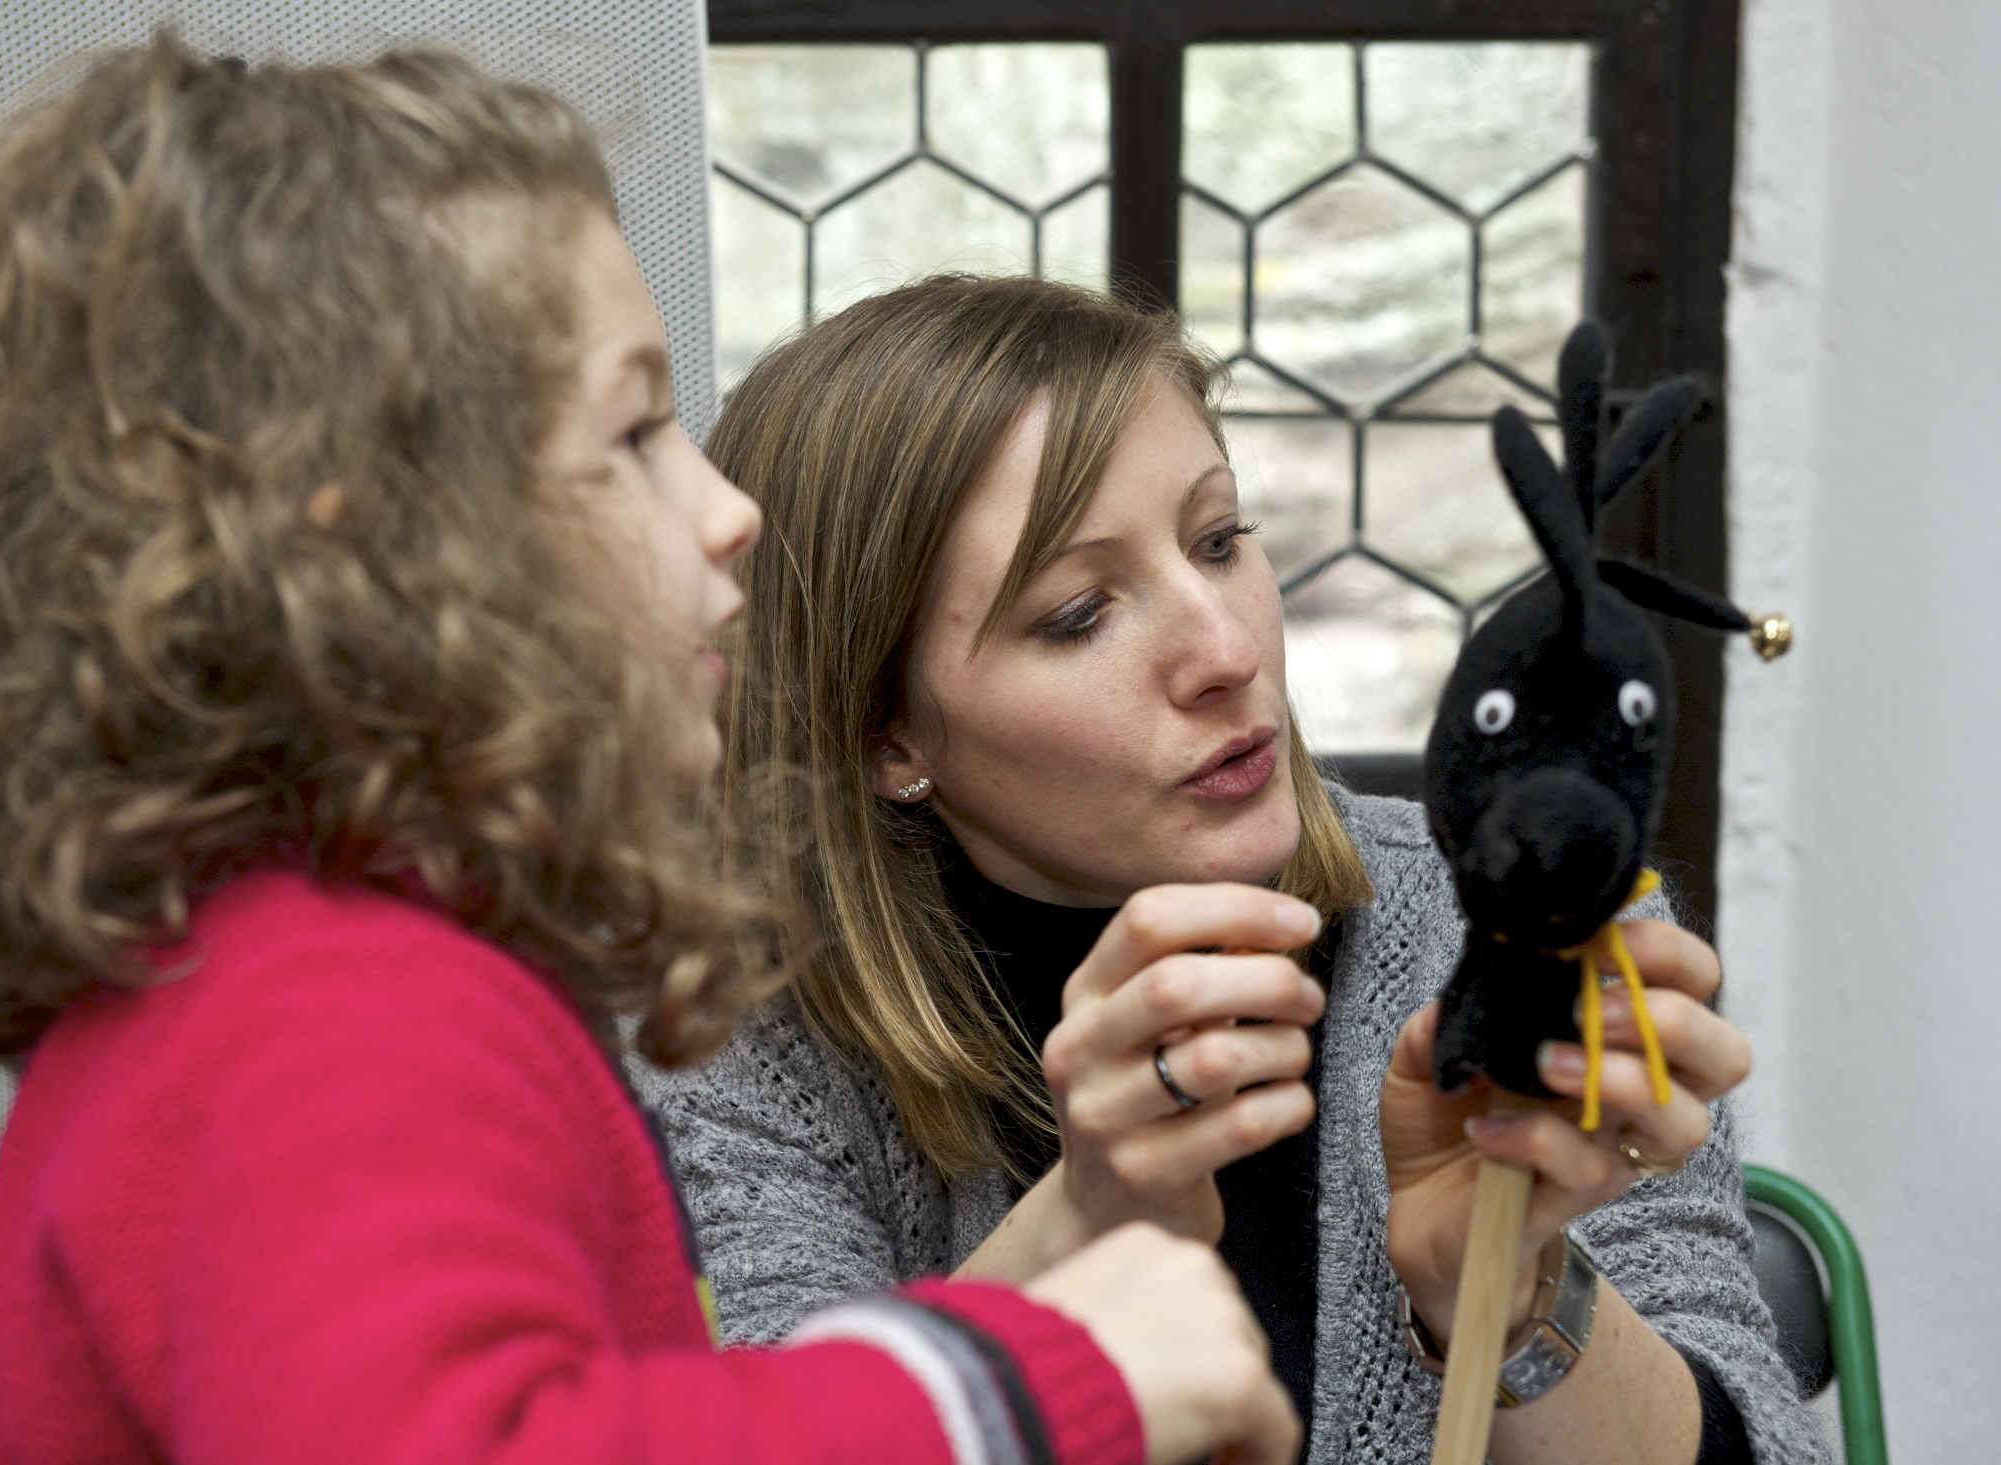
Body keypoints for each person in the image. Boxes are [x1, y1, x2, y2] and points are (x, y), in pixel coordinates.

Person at [0, 41, 1301, 1465]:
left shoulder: (286, 963)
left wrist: (1067, 1237)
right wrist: (1036, 1380)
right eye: (636, 435)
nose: (728, 512)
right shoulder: (329, 1011)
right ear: (388, 553)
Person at [635, 275, 1828, 1465]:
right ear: (886, 734)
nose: (1223, 648)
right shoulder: (739, 1041)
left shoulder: (1510, 929)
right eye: (1078, 612)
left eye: (1218, 541)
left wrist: (1500, 1294)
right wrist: (1077, 1218)